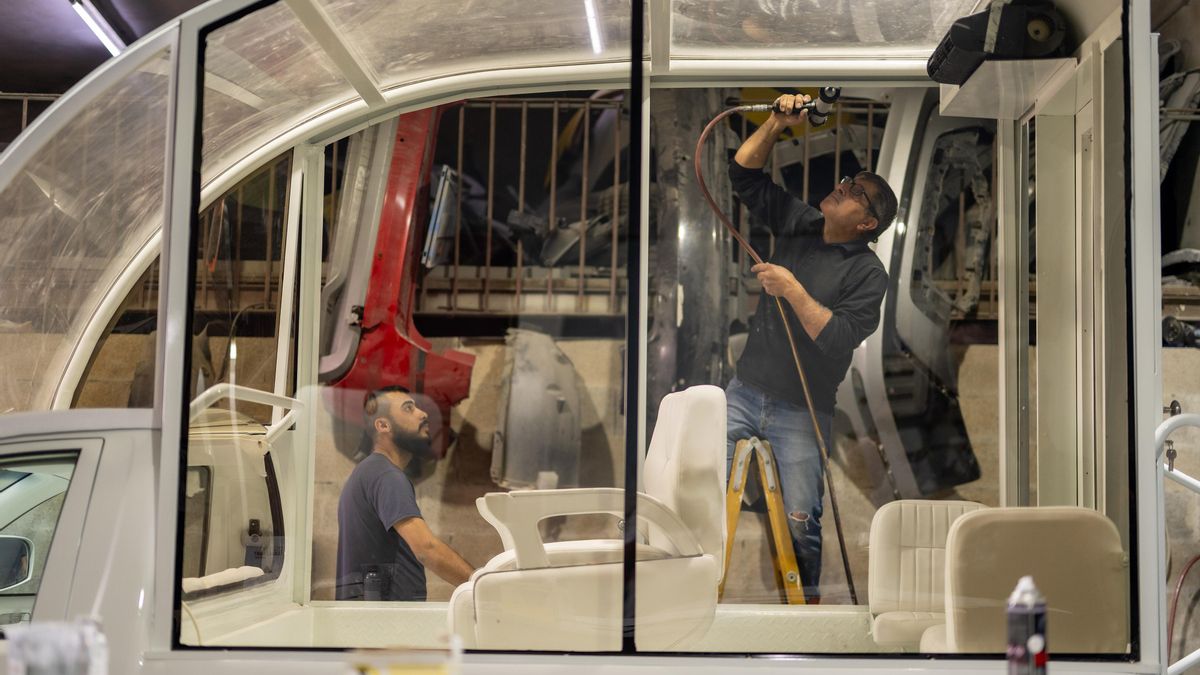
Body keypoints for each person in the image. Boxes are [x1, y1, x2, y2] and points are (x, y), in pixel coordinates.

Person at [726, 93, 896, 603]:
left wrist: (793, 290)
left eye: (856, 193)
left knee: (801, 519)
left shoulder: (869, 273)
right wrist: (777, 123)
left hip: (802, 411)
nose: (842, 186)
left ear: (867, 224)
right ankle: (679, 593)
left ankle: (806, 617)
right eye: (848, 181)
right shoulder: (801, 224)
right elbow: (744, 177)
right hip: (744, 391)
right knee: (693, 482)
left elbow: (841, 336)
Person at [336, 385, 474, 600]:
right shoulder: (386, 475)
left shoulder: (370, 472)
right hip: (384, 625)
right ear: (383, 425)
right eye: (409, 408)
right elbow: (426, 548)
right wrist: (482, 584)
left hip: (375, 621)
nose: (423, 413)